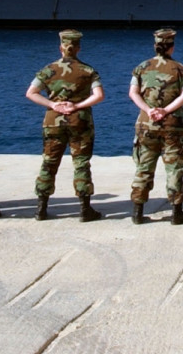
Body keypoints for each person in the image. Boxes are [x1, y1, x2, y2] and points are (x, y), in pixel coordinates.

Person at [26, 29, 105, 222]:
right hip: (80, 120)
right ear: (78, 48)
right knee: (81, 163)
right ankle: (85, 209)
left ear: (61, 47)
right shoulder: (88, 71)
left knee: (49, 161)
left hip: (53, 121)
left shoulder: (48, 70)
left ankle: (41, 208)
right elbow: (99, 96)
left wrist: (53, 104)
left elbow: (31, 92)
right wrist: (77, 105)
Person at [128, 28, 183, 225]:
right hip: (173, 124)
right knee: (174, 167)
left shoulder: (141, 68)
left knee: (144, 165)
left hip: (146, 124)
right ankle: (176, 212)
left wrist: (149, 110)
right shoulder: (181, 69)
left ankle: (137, 211)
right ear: (172, 47)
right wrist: (166, 110)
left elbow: (133, 93)